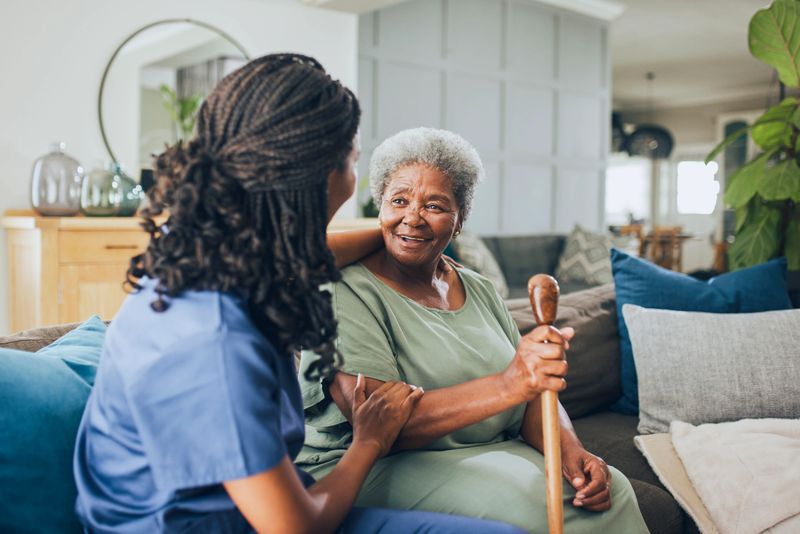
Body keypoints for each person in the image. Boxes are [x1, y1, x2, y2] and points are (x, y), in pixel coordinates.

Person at [72, 55, 524, 533]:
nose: (355, 182)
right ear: (312, 177)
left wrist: (400, 230)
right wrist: (369, 441)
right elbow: (295, 528)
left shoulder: (212, 252)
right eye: (352, 162)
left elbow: (315, 253)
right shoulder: (214, 338)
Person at [298, 127, 650, 533]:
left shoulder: (478, 288)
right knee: (533, 506)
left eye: (435, 205)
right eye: (398, 200)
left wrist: (571, 450)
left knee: (614, 489)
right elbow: (381, 424)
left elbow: (532, 394)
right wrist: (508, 383)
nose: (413, 216)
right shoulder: (345, 288)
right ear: (380, 208)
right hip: (372, 464)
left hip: (484, 452)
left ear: (460, 219)